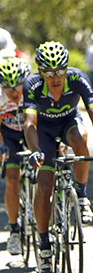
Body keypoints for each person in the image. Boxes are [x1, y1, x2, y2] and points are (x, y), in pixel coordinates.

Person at [23, 41, 93, 273]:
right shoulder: (32, 84)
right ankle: (44, 244)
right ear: (41, 73)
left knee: (80, 138)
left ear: (66, 69)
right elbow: (30, 124)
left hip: (69, 122)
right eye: (49, 73)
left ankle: (81, 194)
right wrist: (35, 149)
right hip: (45, 131)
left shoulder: (78, 79)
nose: (55, 77)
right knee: (45, 186)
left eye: (60, 71)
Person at [0, 57, 31, 255]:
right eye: (7, 88)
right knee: (12, 180)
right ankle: (13, 230)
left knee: (47, 174)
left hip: (30, 132)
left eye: (17, 87)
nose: (13, 92)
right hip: (8, 135)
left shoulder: (32, 91)